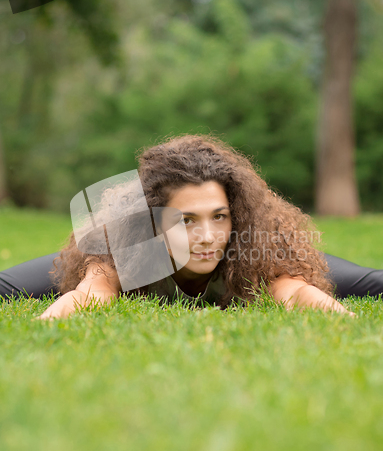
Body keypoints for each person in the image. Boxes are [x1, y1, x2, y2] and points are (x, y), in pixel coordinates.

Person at [0, 134, 382, 319]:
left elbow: (295, 292)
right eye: (186, 221)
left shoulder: (251, 251)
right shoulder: (128, 251)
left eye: (219, 216)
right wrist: (46, 326)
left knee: (372, 284)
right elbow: (91, 294)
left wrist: (345, 322)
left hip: (265, 256)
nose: (206, 237)